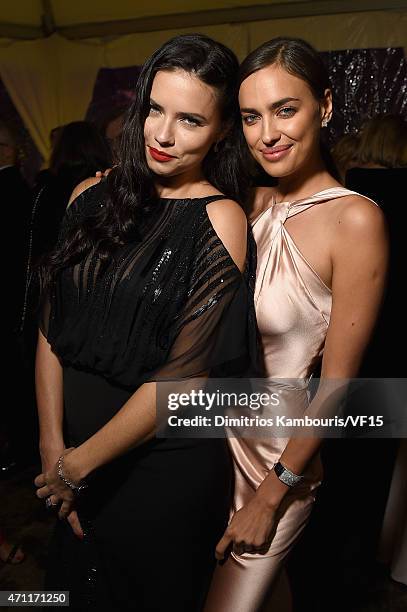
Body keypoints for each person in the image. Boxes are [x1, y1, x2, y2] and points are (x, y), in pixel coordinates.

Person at [33, 34, 256, 611]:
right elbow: (51, 331)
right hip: (71, 456)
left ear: (222, 130)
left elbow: (183, 381)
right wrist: (51, 444)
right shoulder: (86, 195)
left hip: (157, 472)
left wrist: (77, 467)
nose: (163, 134)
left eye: (189, 120)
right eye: (155, 109)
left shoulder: (220, 219)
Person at [204, 37, 388, 611]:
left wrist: (272, 494)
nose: (268, 134)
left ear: (325, 107)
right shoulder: (248, 204)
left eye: (286, 109)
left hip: (278, 463)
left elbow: (338, 384)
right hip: (214, 445)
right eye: (251, 117)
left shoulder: (354, 219)